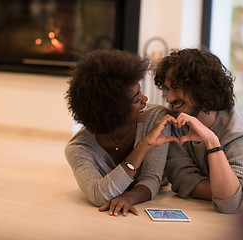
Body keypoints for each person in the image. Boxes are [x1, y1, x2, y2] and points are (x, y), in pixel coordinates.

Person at [153, 48, 243, 214]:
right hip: (197, 211)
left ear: (202, 89)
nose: (169, 99)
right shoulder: (174, 121)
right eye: (167, 89)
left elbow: (229, 204)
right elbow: (183, 180)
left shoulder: (237, 134)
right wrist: (242, 196)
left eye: (176, 88)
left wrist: (211, 140)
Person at [65, 49, 179, 217]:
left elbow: (151, 179)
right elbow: (98, 195)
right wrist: (143, 146)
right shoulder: (79, 148)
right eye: (136, 98)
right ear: (113, 110)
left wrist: (130, 197)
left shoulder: (157, 119)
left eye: (140, 91)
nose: (145, 99)